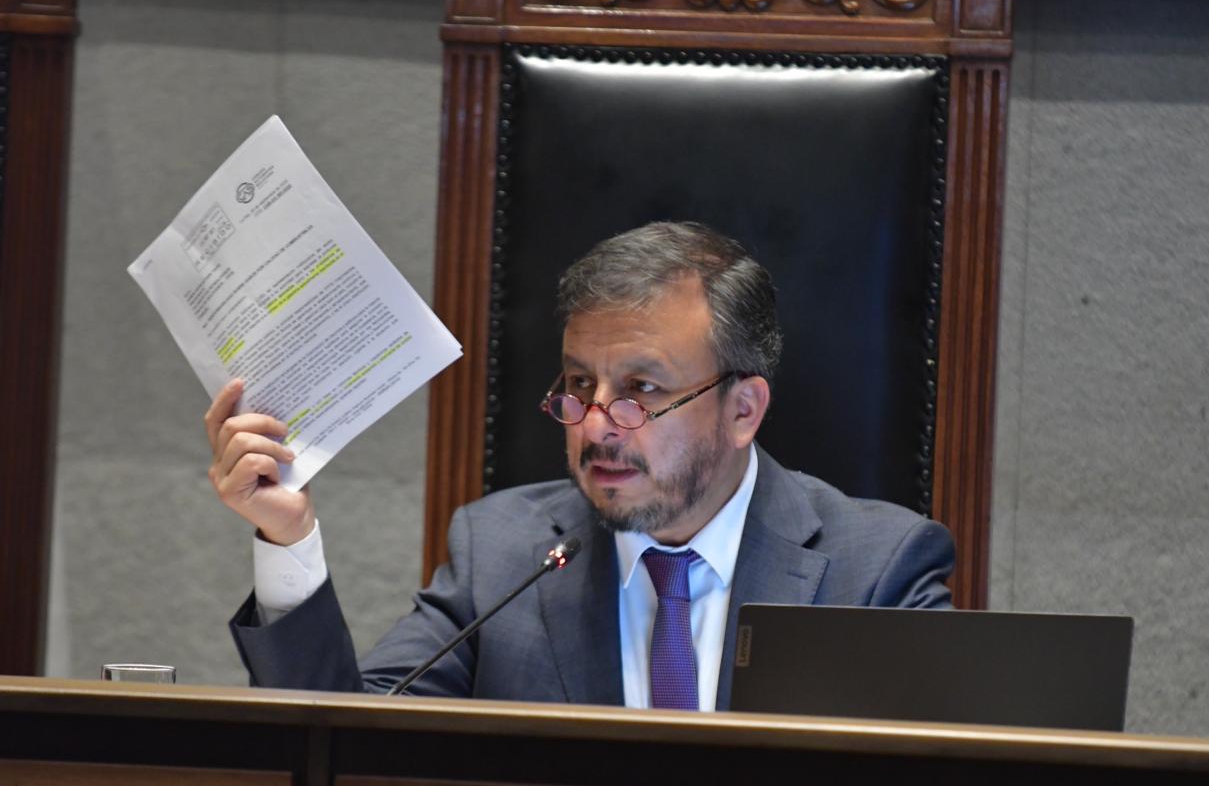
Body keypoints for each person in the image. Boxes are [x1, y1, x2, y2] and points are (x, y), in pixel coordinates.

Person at [208, 221, 953, 711]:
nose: (596, 424)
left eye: (641, 391)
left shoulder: (876, 576)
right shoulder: (501, 555)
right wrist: (288, 538)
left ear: (742, 411)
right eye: (578, 385)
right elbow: (342, 746)